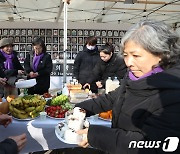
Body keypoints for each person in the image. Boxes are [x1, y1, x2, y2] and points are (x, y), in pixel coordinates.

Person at [75, 20, 180, 154]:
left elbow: (159, 145)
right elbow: (112, 98)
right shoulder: (133, 77)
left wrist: (98, 136)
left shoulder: (173, 94)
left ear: (161, 54)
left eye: (136, 55)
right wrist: (81, 108)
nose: (129, 62)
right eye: (125, 55)